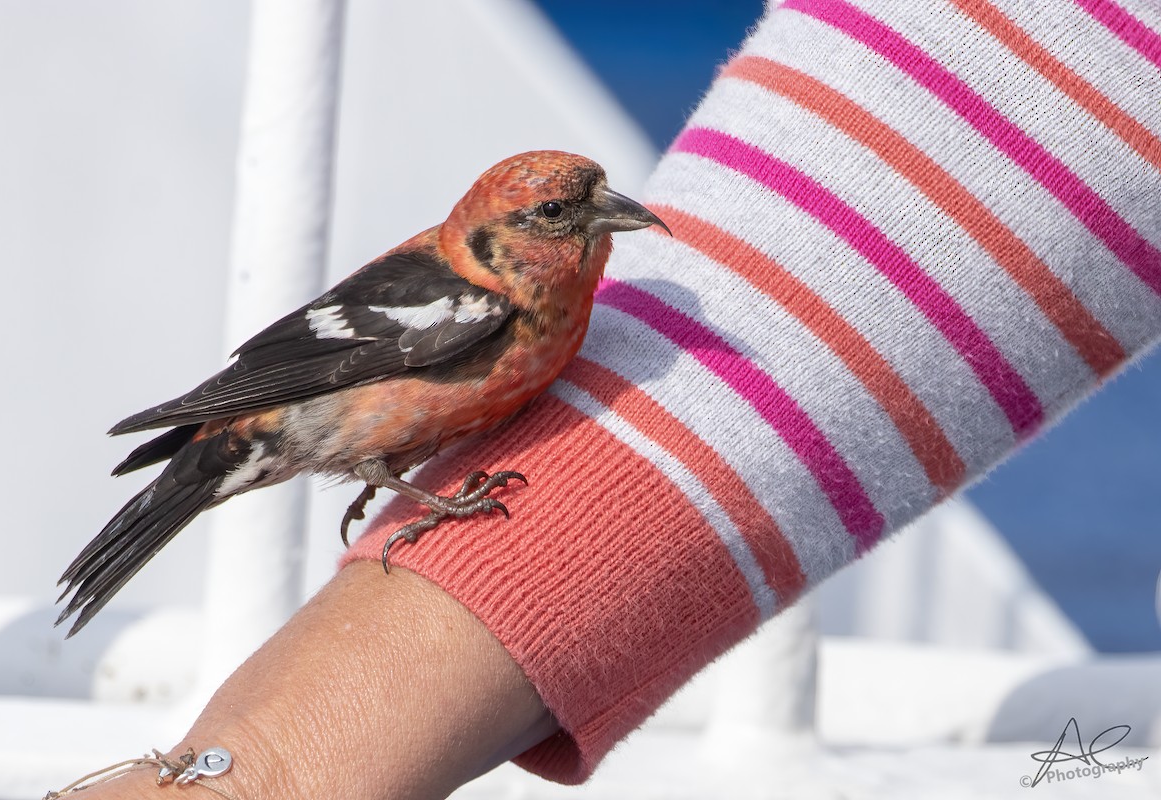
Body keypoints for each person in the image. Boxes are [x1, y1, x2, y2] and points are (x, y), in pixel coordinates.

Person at [66, 0, 1161, 797]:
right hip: (282, 408)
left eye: (593, 205)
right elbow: (321, 362)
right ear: (493, 242)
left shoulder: (555, 303)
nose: (595, 222)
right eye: (560, 216)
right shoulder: (470, 302)